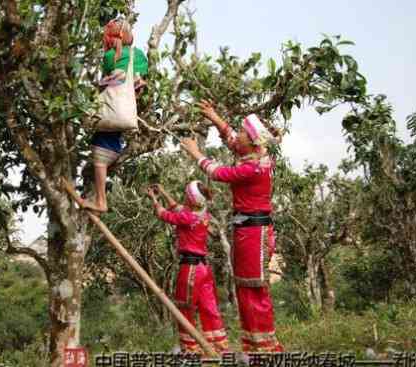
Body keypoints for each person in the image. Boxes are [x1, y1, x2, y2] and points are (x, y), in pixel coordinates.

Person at [179, 100, 284, 352]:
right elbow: (232, 140)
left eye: (242, 133)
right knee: (245, 288)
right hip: (247, 231)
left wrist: (195, 152)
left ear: (253, 140)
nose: (237, 136)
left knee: (253, 289)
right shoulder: (251, 153)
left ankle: (266, 349)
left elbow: (219, 173)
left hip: (253, 232)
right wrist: (213, 115)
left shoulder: (254, 166)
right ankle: (254, 346)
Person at [147, 182, 229, 355]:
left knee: (185, 307)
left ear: (191, 199)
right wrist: (163, 192)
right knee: (209, 307)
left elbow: (164, 214)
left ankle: (190, 348)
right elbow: (177, 208)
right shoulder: (202, 213)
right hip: (203, 268)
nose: (184, 196)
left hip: (190, 269)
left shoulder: (188, 217)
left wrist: (154, 199)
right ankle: (218, 346)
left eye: (186, 194)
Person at [80, 18, 148, 213]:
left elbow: (112, 82)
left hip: (113, 109)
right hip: (127, 109)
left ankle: (101, 201)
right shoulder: (139, 55)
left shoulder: (110, 56)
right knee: (107, 140)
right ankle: (115, 155)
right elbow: (138, 81)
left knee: (100, 155)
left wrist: (101, 83)